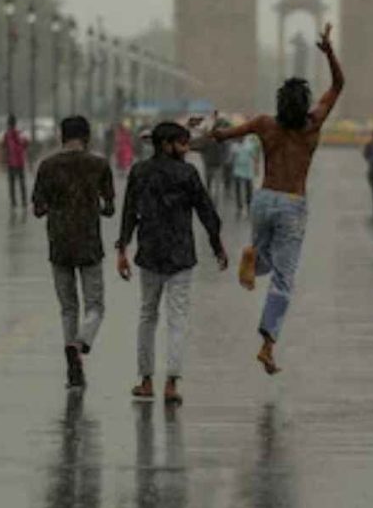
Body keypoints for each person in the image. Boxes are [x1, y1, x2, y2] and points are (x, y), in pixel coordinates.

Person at [210, 22, 344, 375]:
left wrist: (206, 130)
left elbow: (222, 136)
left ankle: (252, 259)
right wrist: (328, 52)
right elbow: (338, 86)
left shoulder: (264, 123)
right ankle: (268, 344)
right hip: (292, 204)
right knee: (283, 278)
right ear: (305, 104)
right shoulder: (312, 124)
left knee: (265, 261)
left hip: (264, 199)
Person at [116, 122, 228, 405]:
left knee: (147, 316)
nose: (186, 148)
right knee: (177, 319)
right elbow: (206, 211)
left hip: (150, 254)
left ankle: (145, 380)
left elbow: (129, 211)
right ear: (166, 144)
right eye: (182, 143)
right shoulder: (187, 173)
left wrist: (123, 249)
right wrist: (217, 245)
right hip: (181, 256)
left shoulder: (140, 172)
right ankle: (171, 383)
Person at [32, 116, 115, 389]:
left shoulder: (47, 166)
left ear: (61, 136)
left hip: (59, 243)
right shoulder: (99, 165)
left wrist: (57, 206)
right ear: (87, 136)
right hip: (89, 243)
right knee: (95, 305)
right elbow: (110, 206)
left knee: (68, 307)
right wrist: (97, 208)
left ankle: (72, 364)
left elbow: (38, 208)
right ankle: (80, 343)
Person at [2, 114, 30, 209]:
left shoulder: (7, 135)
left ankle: (14, 202)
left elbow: (4, 148)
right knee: (21, 183)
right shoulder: (19, 134)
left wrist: (4, 161)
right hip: (19, 161)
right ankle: (23, 201)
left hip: (12, 162)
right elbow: (26, 144)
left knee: (13, 184)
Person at [230, 134, 260, 216]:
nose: (239, 139)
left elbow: (255, 157)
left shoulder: (250, 145)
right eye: (238, 137)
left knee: (248, 190)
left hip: (248, 171)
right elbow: (232, 158)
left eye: (241, 137)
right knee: (238, 190)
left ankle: (249, 205)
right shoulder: (234, 146)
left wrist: (256, 168)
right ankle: (239, 207)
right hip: (237, 171)